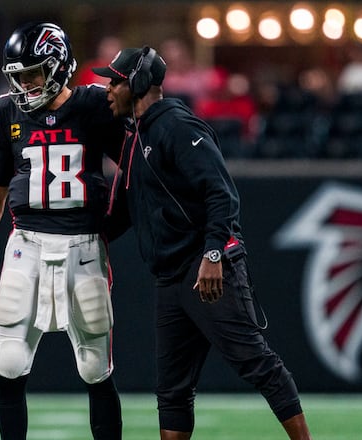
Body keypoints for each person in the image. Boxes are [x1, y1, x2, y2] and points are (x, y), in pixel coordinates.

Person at [93, 47, 313, 439]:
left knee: (255, 362)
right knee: (173, 389)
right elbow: (124, 211)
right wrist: (80, 235)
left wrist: (213, 254)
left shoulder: (177, 126)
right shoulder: (135, 138)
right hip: (169, 276)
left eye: (115, 80)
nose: (107, 88)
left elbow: (221, 193)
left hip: (205, 266)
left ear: (139, 82)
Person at [0, 22, 123, 440]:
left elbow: (135, 169)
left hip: (82, 245)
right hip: (25, 244)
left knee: (94, 366)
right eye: (18, 75)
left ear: (59, 65)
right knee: (10, 362)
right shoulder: (8, 113)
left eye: (32, 72)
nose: (25, 84)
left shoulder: (93, 106)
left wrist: (122, 220)